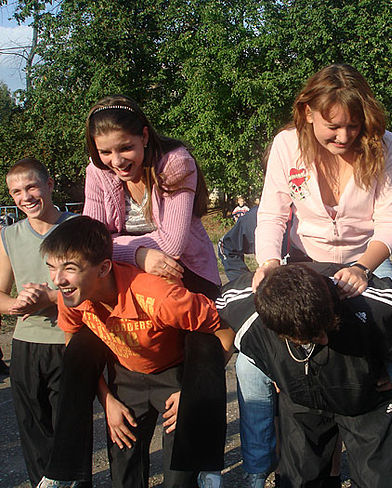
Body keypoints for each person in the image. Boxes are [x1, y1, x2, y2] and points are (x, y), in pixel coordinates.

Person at [238, 64, 392, 488]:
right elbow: (273, 213)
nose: (345, 137)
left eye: (353, 126)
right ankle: (257, 473)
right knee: (249, 365)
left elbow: (391, 220)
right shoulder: (287, 145)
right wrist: (269, 264)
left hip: (366, 258)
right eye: (333, 127)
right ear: (308, 113)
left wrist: (363, 266)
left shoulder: (382, 144)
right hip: (303, 261)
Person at [37, 216, 235, 488]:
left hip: (174, 375)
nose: (58, 280)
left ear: (104, 268)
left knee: (181, 474)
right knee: (124, 469)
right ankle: (62, 474)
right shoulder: (70, 296)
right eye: (51, 267)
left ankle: (206, 471)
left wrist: (194, 391)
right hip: (126, 375)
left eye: (69, 268)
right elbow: (76, 356)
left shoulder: (161, 298)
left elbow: (224, 333)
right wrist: (107, 400)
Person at [217, 263, 392, 487]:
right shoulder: (242, 307)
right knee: (298, 481)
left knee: (377, 482)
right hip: (300, 399)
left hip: (364, 400)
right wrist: (274, 368)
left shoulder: (375, 305)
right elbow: (214, 319)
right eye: (313, 337)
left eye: (326, 329)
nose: (324, 339)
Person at [83, 94, 220, 299]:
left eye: (126, 148)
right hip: (129, 280)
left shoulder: (175, 163)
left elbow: (173, 245)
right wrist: (139, 254)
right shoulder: (97, 171)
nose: (117, 161)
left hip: (186, 277)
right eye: (105, 152)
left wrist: (111, 245)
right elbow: (88, 242)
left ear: (144, 137)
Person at [0, 158, 76, 485]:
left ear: (50, 185)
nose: (25, 197)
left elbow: (99, 289)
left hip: (70, 342)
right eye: (16, 192)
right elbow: (0, 294)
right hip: (25, 346)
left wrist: (52, 298)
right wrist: (17, 304)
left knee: (70, 432)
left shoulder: (78, 227)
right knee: (34, 432)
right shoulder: (9, 235)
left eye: (31, 187)